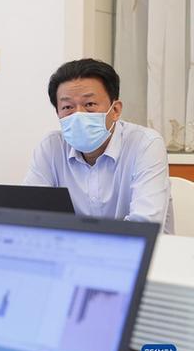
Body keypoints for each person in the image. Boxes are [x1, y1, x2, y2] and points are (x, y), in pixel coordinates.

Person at [25, 58, 173, 233]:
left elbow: (144, 225)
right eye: (67, 107)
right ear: (58, 113)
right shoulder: (51, 147)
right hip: (71, 248)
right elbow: (29, 214)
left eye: (89, 104)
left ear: (115, 110)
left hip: (143, 250)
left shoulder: (146, 144)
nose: (78, 114)